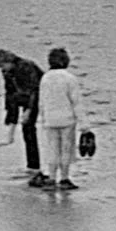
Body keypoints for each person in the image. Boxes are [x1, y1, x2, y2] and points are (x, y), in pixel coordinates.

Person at [0, 47, 45, 186]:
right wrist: (10, 121)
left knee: (28, 128)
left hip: (39, 94)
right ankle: (31, 165)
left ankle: (34, 166)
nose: (3, 69)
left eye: (3, 66)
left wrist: (29, 110)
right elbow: (9, 92)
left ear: (9, 61)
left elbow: (35, 89)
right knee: (21, 121)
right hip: (20, 96)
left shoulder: (26, 66)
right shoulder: (7, 71)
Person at [35, 47, 86, 191]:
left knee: (52, 149)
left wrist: (42, 118)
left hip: (50, 120)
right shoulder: (70, 78)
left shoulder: (45, 78)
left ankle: (51, 177)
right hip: (67, 120)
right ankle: (64, 178)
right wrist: (84, 125)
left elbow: (42, 101)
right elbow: (76, 102)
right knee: (66, 150)